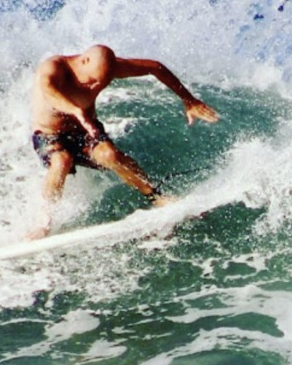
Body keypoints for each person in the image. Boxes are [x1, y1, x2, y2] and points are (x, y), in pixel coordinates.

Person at [28, 44, 219, 239]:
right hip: (50, 133)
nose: (95, 87)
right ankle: (43, 222)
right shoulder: (55, 67)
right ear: (84, 61)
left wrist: (188, 99)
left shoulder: (106, 68)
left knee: (110, 155)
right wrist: (76, 110)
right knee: (61, 161)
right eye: (93, 81)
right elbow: (48, 89)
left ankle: (156, 197)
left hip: (85, 130)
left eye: (102, 83)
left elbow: (155, 67)